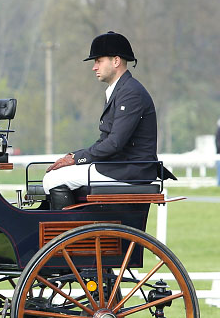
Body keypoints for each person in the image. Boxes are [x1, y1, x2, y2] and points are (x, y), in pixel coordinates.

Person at [43, 31, 164, 209]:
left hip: (130, 171)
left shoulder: (130, 93)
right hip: (118, 167)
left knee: (53, 179)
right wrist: (74, 156)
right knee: (56, 175)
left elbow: (114, 143)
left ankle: (69, 231)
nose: (94, 67)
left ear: (116, 61)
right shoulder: (119, 91)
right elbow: (106, 140)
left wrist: (76, 158)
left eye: (98, 61)